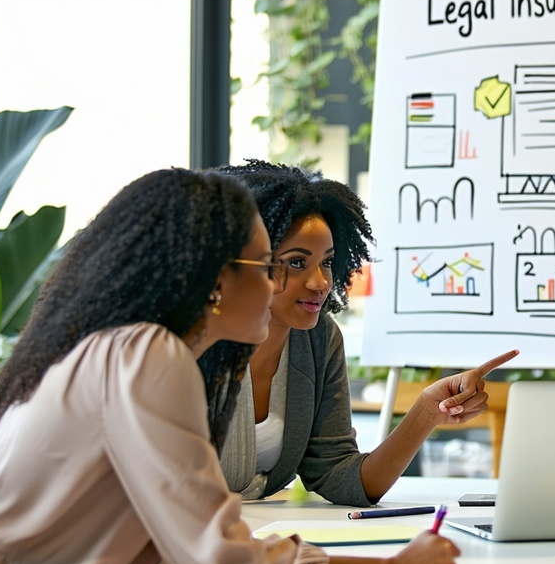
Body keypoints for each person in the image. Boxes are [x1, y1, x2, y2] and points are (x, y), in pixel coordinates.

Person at [0, 169, 461, 564]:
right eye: (267, 264)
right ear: (214, 283)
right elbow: (218, 562)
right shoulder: (149, 356)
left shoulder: (127, 348)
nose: (282, 283)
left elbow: (188, 548)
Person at [212, 160, 517, 504]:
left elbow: (338, 475)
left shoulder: (317, 340)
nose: (321, 282)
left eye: (327, 262)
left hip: (252, 534)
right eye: (297, 263)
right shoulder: (191, 342)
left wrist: (426, 413)